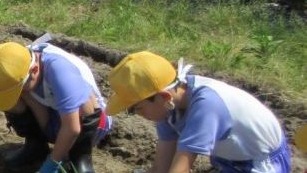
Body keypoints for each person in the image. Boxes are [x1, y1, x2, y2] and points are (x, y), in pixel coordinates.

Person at [106, 51, 291, 173]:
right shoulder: (170, 105)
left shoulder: (206, 106)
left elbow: (181, 168)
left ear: (163, 96)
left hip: (260, 163)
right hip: (228, 159)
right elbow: (162, 167)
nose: (139, 115)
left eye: (136, 108)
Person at [0, 41, 111, 173]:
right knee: (14, 95)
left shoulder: (59, 70)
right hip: (53, 118)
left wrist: (51, 165)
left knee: (84, 103)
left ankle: (79, 159)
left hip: (91, 124)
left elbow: (72, 128)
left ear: (34, 70)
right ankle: (36, 147)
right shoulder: (5, 68)